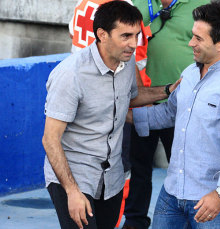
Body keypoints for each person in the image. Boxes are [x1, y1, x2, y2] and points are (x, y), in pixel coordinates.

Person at [42, 1, 179, 229]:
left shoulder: (126, 60)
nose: (133, 44)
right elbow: (50, 139)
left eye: (136, 36)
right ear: (102, 35)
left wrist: (167, 90)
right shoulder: (71, 74)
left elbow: (130, 97)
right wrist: (72, 192)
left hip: (111, 179)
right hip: (75, 177)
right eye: (125, 36)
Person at [127, 1, 220, 229]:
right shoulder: (190, 73)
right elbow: (169, 114)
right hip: (172, 193)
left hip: (213, 200)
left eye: (198, 38)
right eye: (192, 36)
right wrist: (121, 116)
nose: (191, 43)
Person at [122, 1, 209, 228]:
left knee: (183, 168)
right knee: (138, 168)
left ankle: (188, 221)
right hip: (140, 102)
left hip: (181, 106)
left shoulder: (201, 5)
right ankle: (134, 221)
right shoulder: (136, 3)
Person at [68, 0, 151, 227]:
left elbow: (72, 36)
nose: (131, 42)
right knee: (121, 169)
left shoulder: (82, 3)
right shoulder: (126, 7)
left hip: (89, 99)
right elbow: (138, 59)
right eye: (127, 36)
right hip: (111, 97)